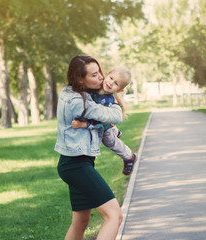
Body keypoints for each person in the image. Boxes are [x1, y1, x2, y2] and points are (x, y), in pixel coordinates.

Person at [55, 55, 123, 240]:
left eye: (100, 72)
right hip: (76, 166)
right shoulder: (78, 102)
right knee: (114, 215)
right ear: (80, 79)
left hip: (75, 163)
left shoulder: (73, 91)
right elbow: (115, 116)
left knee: (80, 223)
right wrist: (114, 95)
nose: (101, 78)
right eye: (94, 75)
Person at [71, 66, 137, 175]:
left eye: (116, 83)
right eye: (111, 78)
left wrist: (83, 124)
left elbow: (100, 123)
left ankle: (129, 156)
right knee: (110, 125)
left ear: (120, 90)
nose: (110, 83)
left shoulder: (108, 101)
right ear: (106, 74)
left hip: (103, 125)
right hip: (104, 120)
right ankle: (115, 131)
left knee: (109, 141)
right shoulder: (95, 85)